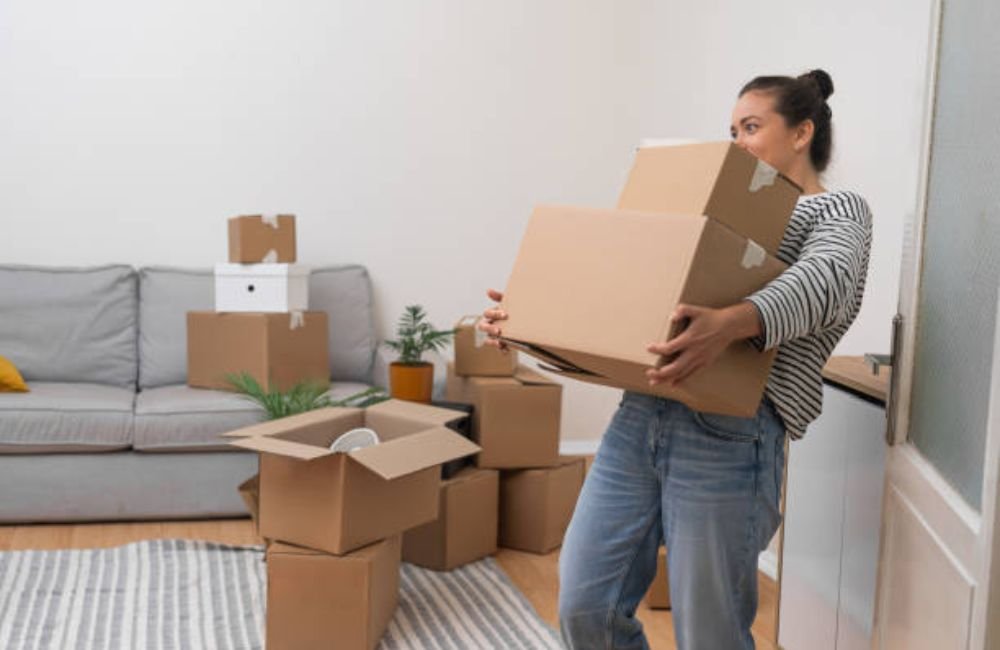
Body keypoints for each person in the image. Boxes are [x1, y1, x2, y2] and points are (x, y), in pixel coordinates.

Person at [479, 69, 873, 650]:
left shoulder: (837, 210)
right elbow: (632, 284)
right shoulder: (711, 206)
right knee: (587, 604)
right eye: (732, 129)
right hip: (641, 415)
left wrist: (731, 324)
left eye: (751, 127)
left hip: (733, 436)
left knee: (709, 635)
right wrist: (529, 315)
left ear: (801, 133)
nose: (736, 142)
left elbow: (828, 281)